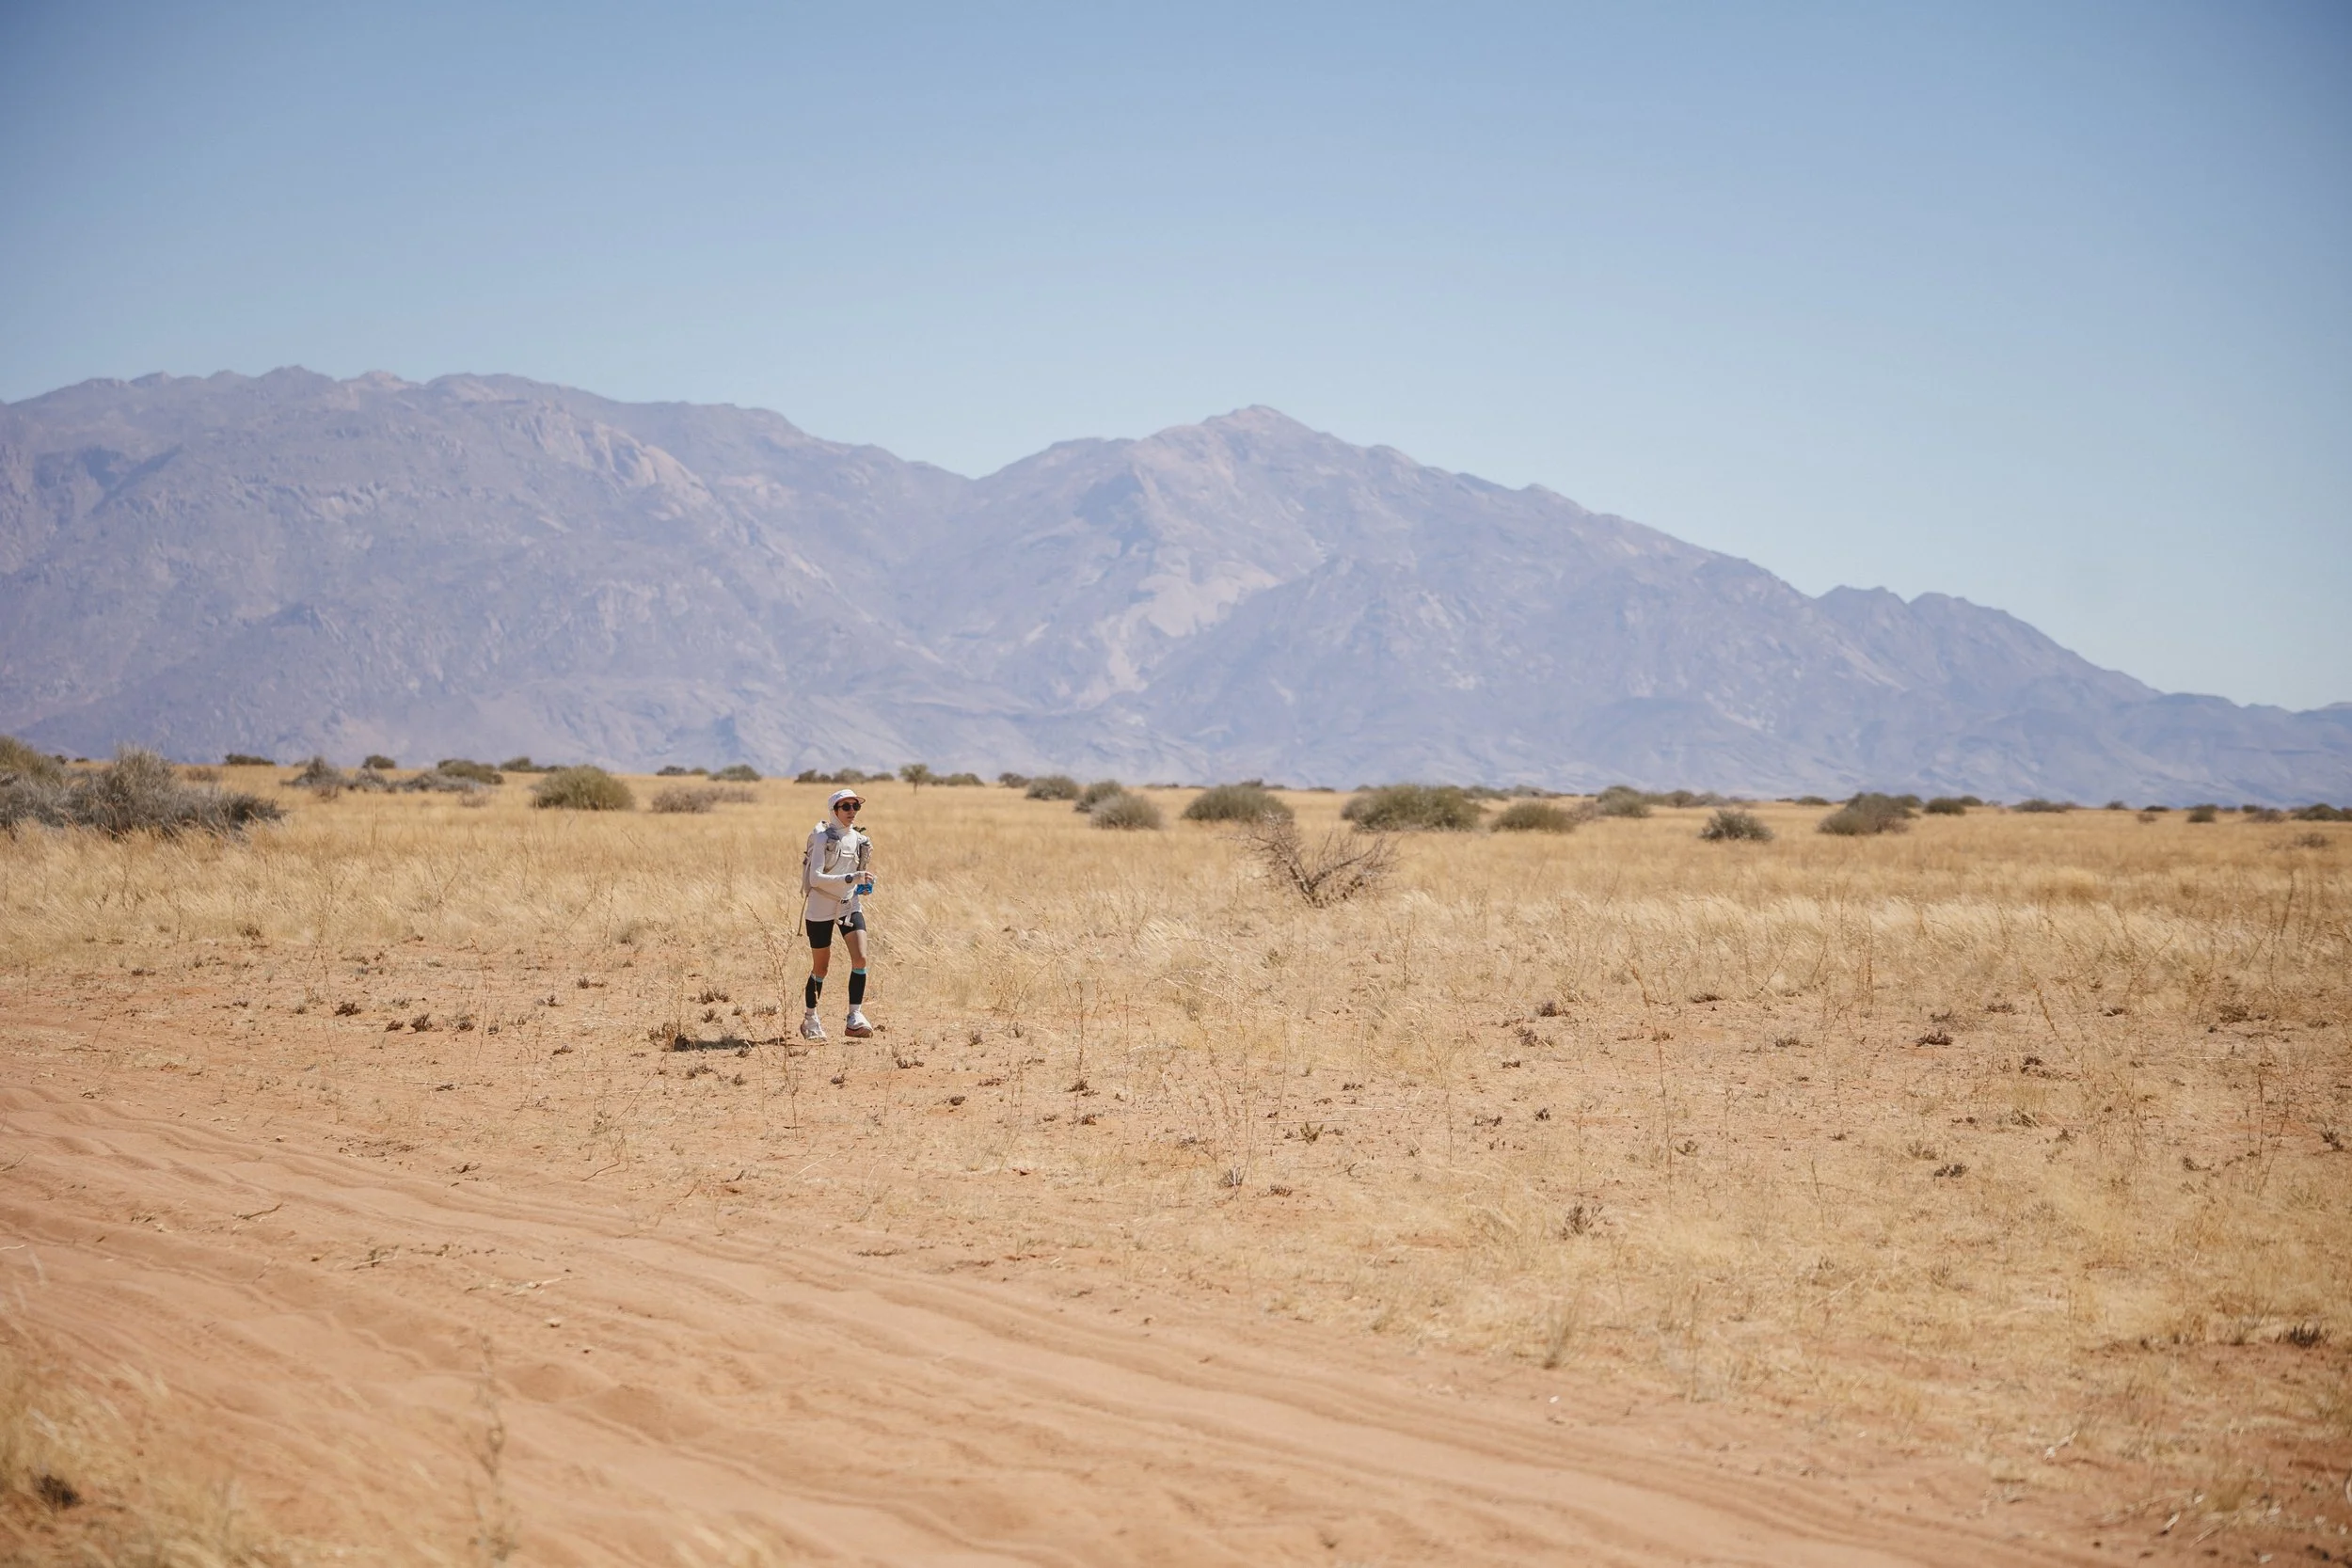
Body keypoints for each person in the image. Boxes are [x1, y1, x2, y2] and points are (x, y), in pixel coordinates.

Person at [801, 787, 875, 1040]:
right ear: (834, 810)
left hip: (848, 903)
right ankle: (810, 1018)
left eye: (856, 807)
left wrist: (862, 883)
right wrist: (849, 877)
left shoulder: (860, 839)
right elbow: (816, 878)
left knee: (861, 959)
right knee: (821, 967)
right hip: (820, 906)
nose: (852, 812)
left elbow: (856, 873)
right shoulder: (823, 838)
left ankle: (855, 1017)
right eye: (846, 807)